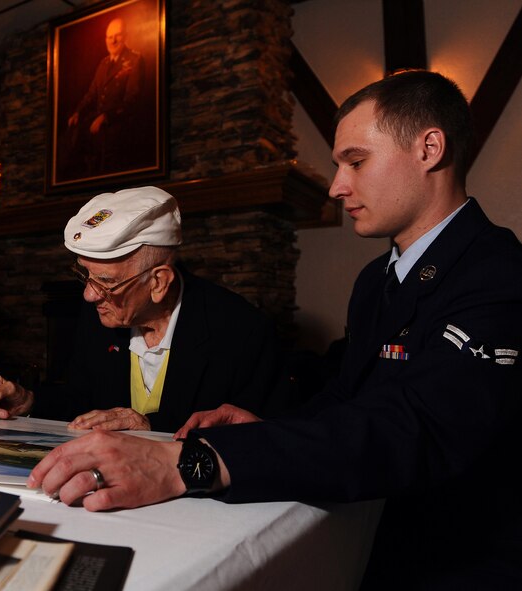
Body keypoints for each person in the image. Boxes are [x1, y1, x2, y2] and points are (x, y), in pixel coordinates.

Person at [27, 71, 522, 587]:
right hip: (365, 537)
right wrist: (264, 430)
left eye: (356, 161)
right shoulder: (375, 280)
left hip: (459, 563)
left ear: (430, 148)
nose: (336, 186)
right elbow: (349, 404)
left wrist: (193, 461)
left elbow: (417, 428)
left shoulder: (498, 273)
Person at [0, 186, 279, 433]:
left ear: (159, 281)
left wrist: (149, 426)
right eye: (85, 275)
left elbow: (260, 439)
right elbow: (81, 402)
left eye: (106, 282)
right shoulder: (100, 316)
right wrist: (27, 400)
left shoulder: (241, 331)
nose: (89, 295)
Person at [64, 18, 144, 177]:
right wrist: (78, 112)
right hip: (97, 128)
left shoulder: (135, 60)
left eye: (118, 35)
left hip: (118, 127)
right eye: (109, 37)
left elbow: (132, 100)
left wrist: (106, 117)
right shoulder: (103, 63)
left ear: (126, 36)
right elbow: (92, 93)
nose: (113, 40)